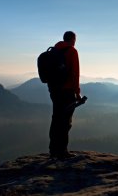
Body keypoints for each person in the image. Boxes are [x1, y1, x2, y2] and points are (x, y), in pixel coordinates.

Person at [48, 31, 81, 159]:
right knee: (65, 121)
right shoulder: (72, 51)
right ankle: (62, 151)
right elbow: (75, 73)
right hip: (67, 91)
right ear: (73, 39)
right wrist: (77, 92)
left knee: (56, 119)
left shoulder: (55, 49)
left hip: (54, 91)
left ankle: (53, 150)